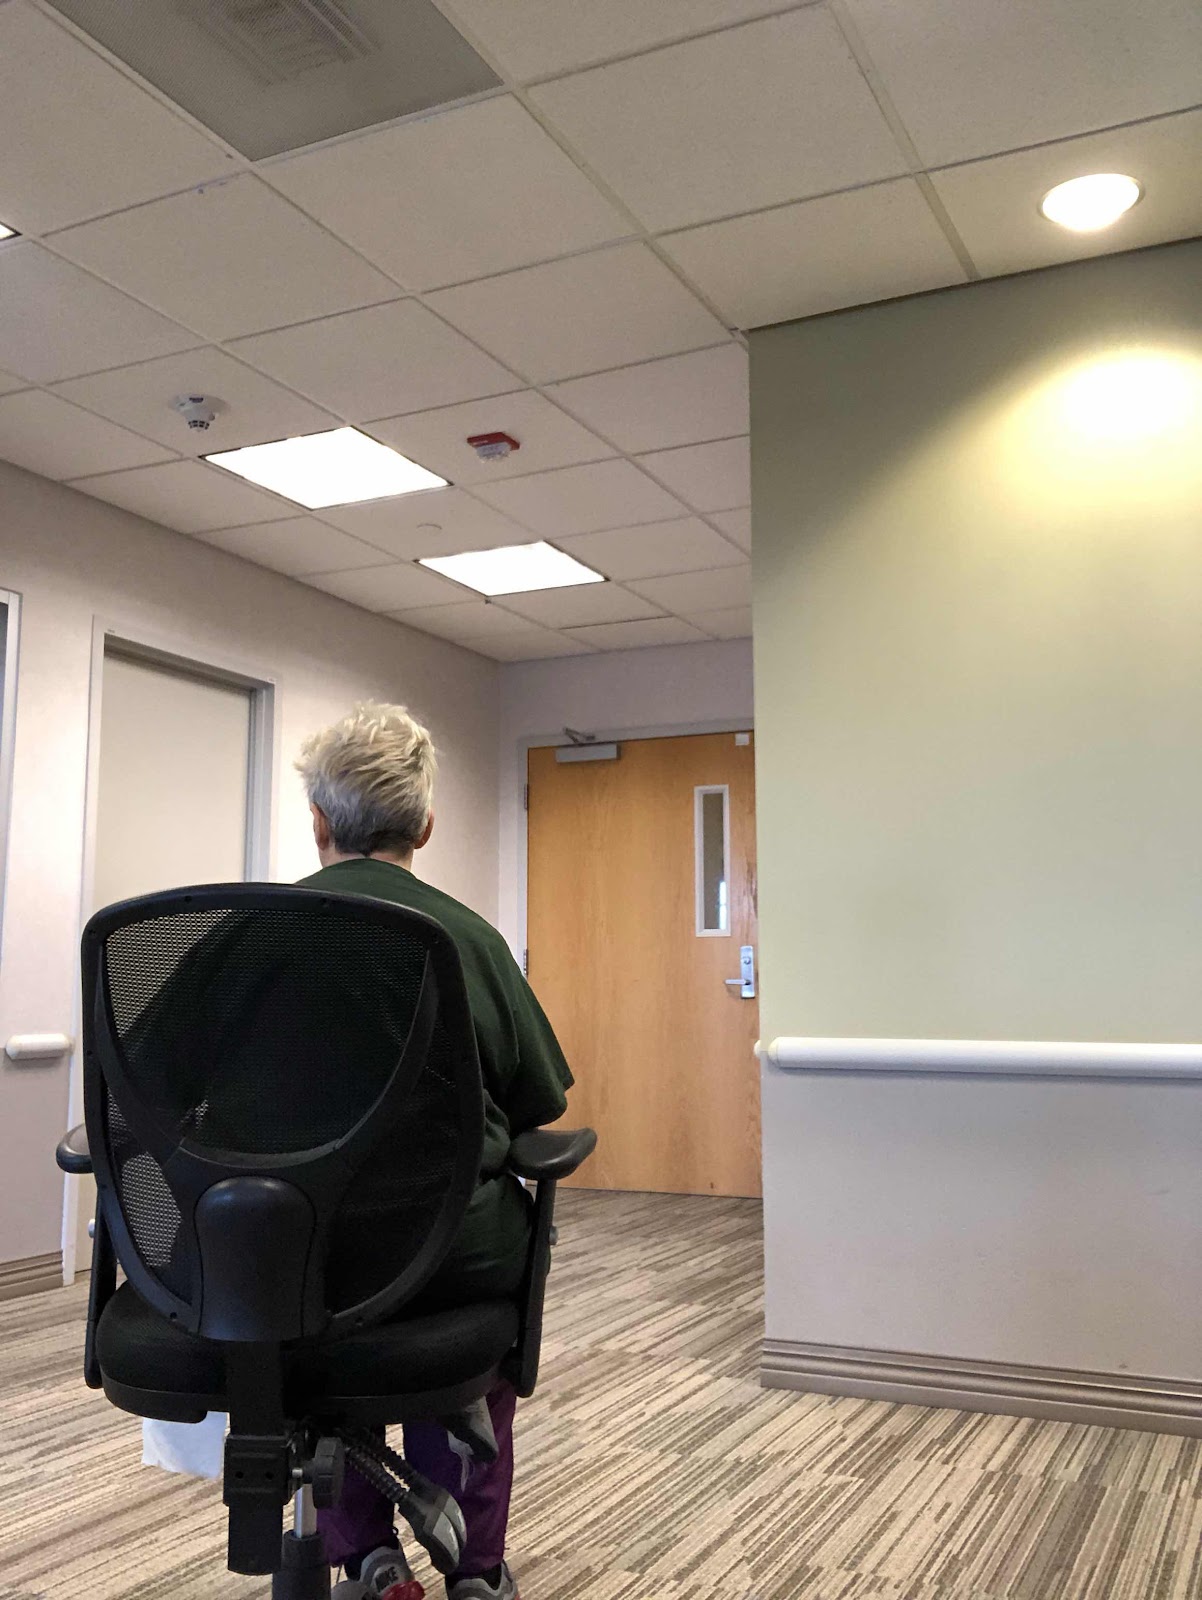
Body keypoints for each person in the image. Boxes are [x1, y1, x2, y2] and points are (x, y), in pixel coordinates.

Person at [294, 702, 573, 1600]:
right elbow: (539, 1104)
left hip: (292, 1256)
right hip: (450, 1254)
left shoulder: (249, 936)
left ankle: (364, 1559)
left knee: (310, 1349)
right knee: (459, 1344)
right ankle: (475, 1571)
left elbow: (159, 1087)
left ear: (320, 823)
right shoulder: (470, 941)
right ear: (424, 827)